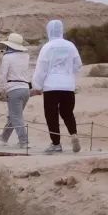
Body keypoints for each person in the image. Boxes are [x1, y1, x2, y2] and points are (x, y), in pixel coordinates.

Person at [31, 19, 83, 154]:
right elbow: (78, 65)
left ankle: (56, 144)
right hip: (68, 86)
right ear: (61, 30)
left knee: (51, 115)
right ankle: (74, 134)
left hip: (51, 86)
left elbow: (41, 68)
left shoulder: (47, 47)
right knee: (67, 113)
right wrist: (69, 73)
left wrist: (37, 85)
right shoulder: (70, 46)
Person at [0, 32, 31, 149]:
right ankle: (4, 137)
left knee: (16, 117)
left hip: (13, 89)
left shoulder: (7, 57)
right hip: (26, 89)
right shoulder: (26, 56)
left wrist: (0, 89)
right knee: (14, 115)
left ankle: (24, 141)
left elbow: (3, 75)